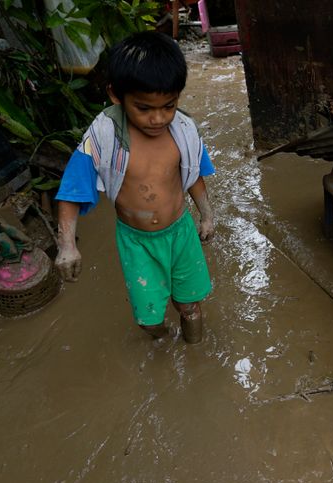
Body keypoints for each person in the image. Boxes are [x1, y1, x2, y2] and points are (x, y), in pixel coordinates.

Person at [53, 31, 216, 344]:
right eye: (144, 108)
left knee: (190, 307)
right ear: (116, 95)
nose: (158, 119)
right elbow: (73, 189)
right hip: (137, 242)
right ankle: (165, 342)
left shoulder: (184, 130)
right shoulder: (104, 135)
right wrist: (67, 245)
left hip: (180, 234)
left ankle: (196, 357)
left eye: (168, 106)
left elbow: (194, 174)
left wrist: (206, 215)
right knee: (148, 319)